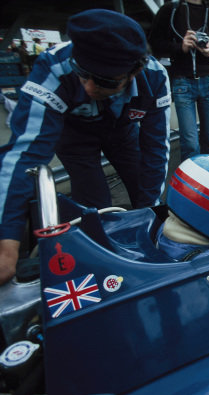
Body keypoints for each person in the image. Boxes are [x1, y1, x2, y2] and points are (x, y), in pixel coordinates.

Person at [0, 9, 172, 285]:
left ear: (135, 71)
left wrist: (148, 215)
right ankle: (103, 276)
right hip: (74, 138)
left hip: (122, 133)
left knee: (146, 198)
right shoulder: (53, 67)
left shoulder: (155, 76)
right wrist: (6, 241)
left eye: (104, 80)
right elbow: (24, 155)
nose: (90, 87)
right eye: (82, 73)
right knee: (95, 208)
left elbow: (155, 150)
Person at [149, 0, 209, 161]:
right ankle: (192, 185)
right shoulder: (171, 10)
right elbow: (154, 44)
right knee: (190, 144)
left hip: (207, 81)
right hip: (182, 82)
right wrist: (180, 47)